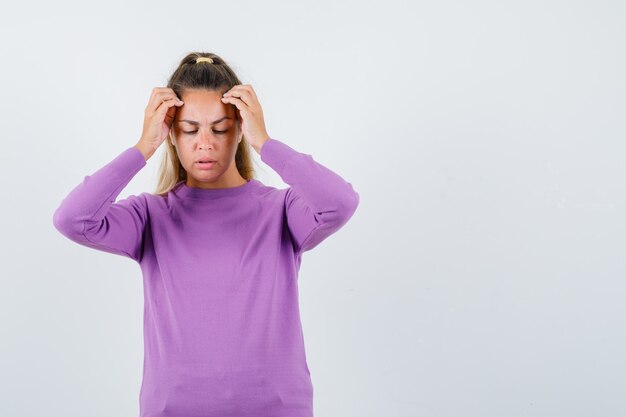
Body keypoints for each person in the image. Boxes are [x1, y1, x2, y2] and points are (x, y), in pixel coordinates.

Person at [52, 52, 360, 417]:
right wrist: (142, 148)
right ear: (171, 133)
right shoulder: (150, 216)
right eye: (189, 129)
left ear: (240, 129)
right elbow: (73, 220)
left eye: (220, 128)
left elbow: (339, 203)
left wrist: (266, 143)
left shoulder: (281, 211)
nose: (205, 144)